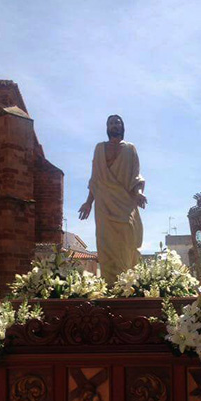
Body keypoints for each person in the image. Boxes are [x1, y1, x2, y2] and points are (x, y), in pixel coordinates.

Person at [78, 115, 147, 285]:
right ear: (107, 128)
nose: (114, 125)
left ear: (122, 126)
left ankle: (128, 283)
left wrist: (138, 193)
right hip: (104, 203)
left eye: (117, 122)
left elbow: (135, 175)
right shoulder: (99, 148)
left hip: (125, 202)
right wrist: (88, 202)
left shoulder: (131, 149)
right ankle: (110, 285)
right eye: (111, 123)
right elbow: (95, 179)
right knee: (106, 242)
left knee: (128, 236)